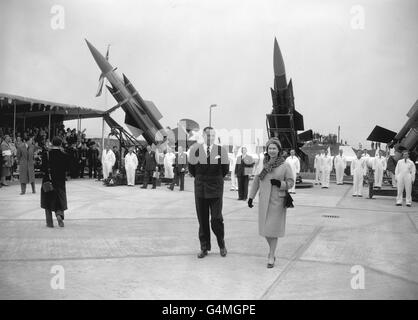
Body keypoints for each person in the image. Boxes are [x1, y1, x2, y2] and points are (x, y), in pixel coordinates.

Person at [247, 138, 294, 268]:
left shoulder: (285, 165)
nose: (271, 150)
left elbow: (291, 182)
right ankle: (271, 253)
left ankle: (271, 255)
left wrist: (280, 184)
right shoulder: (263, 164)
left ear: (279, 150)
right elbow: (256, 181)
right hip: (263, 201)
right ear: (267, 150)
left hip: (277, 202)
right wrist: (251, 197)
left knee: (272, 230)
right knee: (265, 230)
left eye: (274, 148)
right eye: (269, 148)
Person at [188, 127, 229, 259]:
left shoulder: (220, 150)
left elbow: (225, 170)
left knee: (216, 219)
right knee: (202, 219)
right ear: (203, 136)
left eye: (212, 135)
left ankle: (221, 244)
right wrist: (201, 179)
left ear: (214, 136)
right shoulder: (195, 150)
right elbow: (192, 169)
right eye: (207, 135)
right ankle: (204, 247)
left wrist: (214, 179)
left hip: (216, 188)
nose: (210, 138)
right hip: (200, 188)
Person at [40, 136, 70, 228]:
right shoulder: (64, 154)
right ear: (60, 144)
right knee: (59, 198)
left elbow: (43, 168)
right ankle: (59, 215)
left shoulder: (46, 154)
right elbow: (67, 168)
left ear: (52, 143)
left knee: (47, 200)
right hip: (60, 180)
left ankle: (49, 223)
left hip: (48, 179)